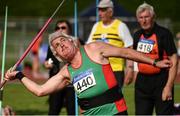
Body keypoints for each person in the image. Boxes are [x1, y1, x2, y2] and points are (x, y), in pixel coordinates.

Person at [5, 31, 171, 115]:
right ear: (58, 55)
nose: (60, 45)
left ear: (72, 41)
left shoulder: (94, 48)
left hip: (114, 111)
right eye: (56, 46)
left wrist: (154, 61)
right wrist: (19, 75)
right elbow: (40, 91)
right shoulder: (66, 72)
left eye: (62, 40)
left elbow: (126, 53)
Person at [131, 3, 178, 115]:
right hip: (142, 83)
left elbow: (174, 60)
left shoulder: (164, 34)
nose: (144, 20)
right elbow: (136, 57)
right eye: (141, 18)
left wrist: (168, 87)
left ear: (153, 17)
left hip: (161, 81)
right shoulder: (137, 35)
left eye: (147, 17)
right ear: (138, 19)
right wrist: (134, 75)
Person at [86, 0, 134, 88]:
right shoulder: (96, 26)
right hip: (98, 70)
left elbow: (130, 47)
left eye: (103, 10)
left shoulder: (121, 26)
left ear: (110, 12)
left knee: (115, 99)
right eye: (99, 10)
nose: (100, 13)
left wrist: (130, 69)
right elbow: (88, 46)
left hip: (115, 70)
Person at [44, 20, 75, 115]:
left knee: (72, 111)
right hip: (56, 80)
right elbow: (49, 59)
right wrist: (48, 63)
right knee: (53, 110)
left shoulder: (76, 41)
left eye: (63, 27)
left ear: (69, 29)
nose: (60, 30)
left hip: (72, 82)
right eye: (57, 28)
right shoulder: (52, 45)